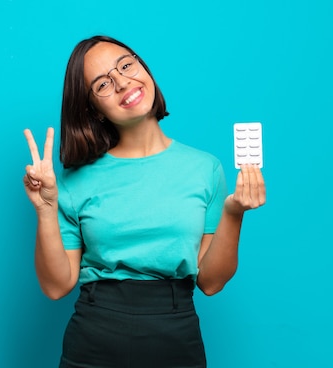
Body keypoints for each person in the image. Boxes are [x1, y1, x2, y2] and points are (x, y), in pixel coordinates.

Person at [22, 35, 266, 368]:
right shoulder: (75, 181)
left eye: (126, 65)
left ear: (143, 67)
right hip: (93, 340)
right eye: (103, 84)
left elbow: (211, 282)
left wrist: (234, 213)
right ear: (94, 108)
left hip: (176, 337)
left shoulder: (205, 168)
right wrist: (46, 210)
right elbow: (55, 287)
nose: (123, 82)